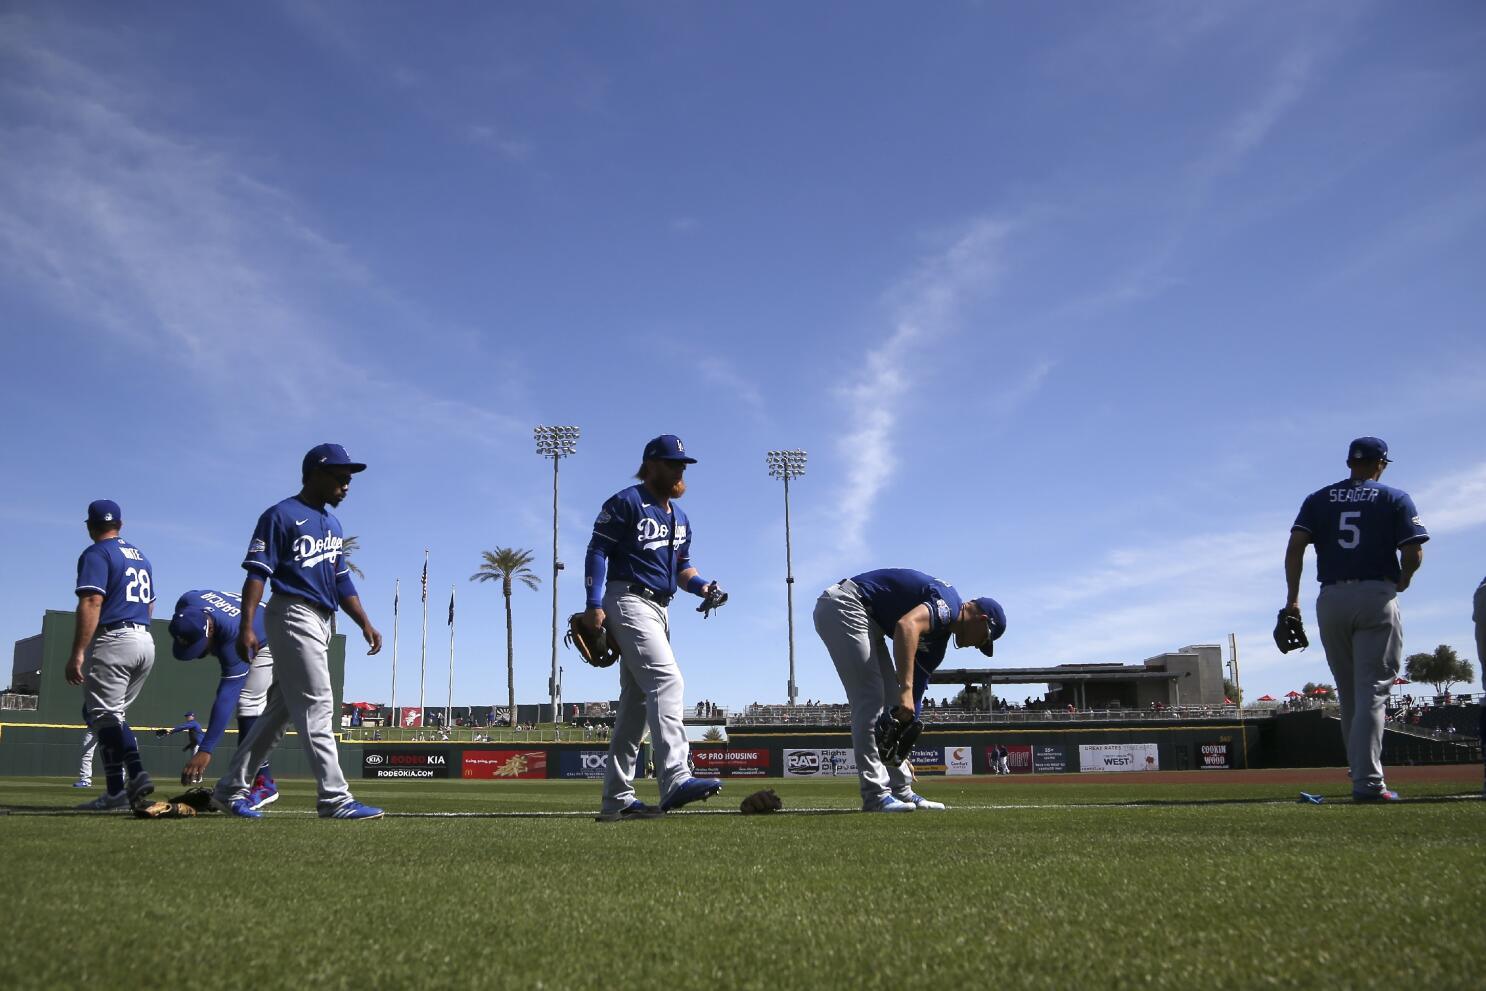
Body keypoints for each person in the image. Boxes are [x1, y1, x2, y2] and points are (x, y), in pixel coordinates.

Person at [210, 443, 384, 820]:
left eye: (349, 477)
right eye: (340, 476)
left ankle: (230, 788)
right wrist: (245, 624)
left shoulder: (332, 525)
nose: (347, 483)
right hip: (292, 611)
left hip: (319, 620)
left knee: (278, 714)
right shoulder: (281, 515)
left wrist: (365, 623)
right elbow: (258, 572)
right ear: (315, 473)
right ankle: (334, 798)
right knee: (320, 705)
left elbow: (341, 581)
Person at [583, 434, 726, 821]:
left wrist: (704, 587)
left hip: (660, 609)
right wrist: (594, 604)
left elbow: (683, 569)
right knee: (667, 681)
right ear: (651, 465)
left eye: (683, 464)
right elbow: (597, 550)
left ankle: (617, 800)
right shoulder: (627, 502)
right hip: (627, 598)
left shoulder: (681, 518)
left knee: (636, 706)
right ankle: (676, 777)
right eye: (674, 463)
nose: (681, 470)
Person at [1283, 437, 1428, 802]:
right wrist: (1405, 579)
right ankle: (1368, 783)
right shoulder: (1394, 497)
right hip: (1375, 594)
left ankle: (1359, 770)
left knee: (1349, 695)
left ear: (1350, 462)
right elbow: (1413, 551)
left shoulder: (1318, 498)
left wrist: (1292, 600)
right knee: (1373, 693)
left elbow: (1296, 546)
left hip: (1331, 598)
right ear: (1381, 463)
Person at [813, 568, 1005, 812]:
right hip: (845, 604)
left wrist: (902, 753)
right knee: (871, 698)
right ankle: (875, 795)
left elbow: (913, 697)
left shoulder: (937, 643)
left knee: (893, 702)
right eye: (984, 639)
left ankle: (900, 790)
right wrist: (905, 691)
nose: (978, 645)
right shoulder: (950, 603)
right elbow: (907, 626)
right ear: (983, 620)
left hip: (868, 618)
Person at [69, 499, 157, 811]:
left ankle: (133, 776)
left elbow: (92, 600)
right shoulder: (141, 556)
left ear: (90, 526)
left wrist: (78, 652)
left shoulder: (96, 552)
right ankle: (120, 788)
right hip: (144, 640)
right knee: (113, 717)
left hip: (115, 638)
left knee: (105, 717)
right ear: (119, 524)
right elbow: (150, 606)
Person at [167, 589, 277, 807]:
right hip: (252, 619)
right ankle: (246, 781)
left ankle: (262, 783)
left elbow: (226, 695)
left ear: (210, 631)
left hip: (273, 635)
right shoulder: (187, 601)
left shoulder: (232, 639)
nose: (198, 654)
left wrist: (205, 750)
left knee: (247, 703)